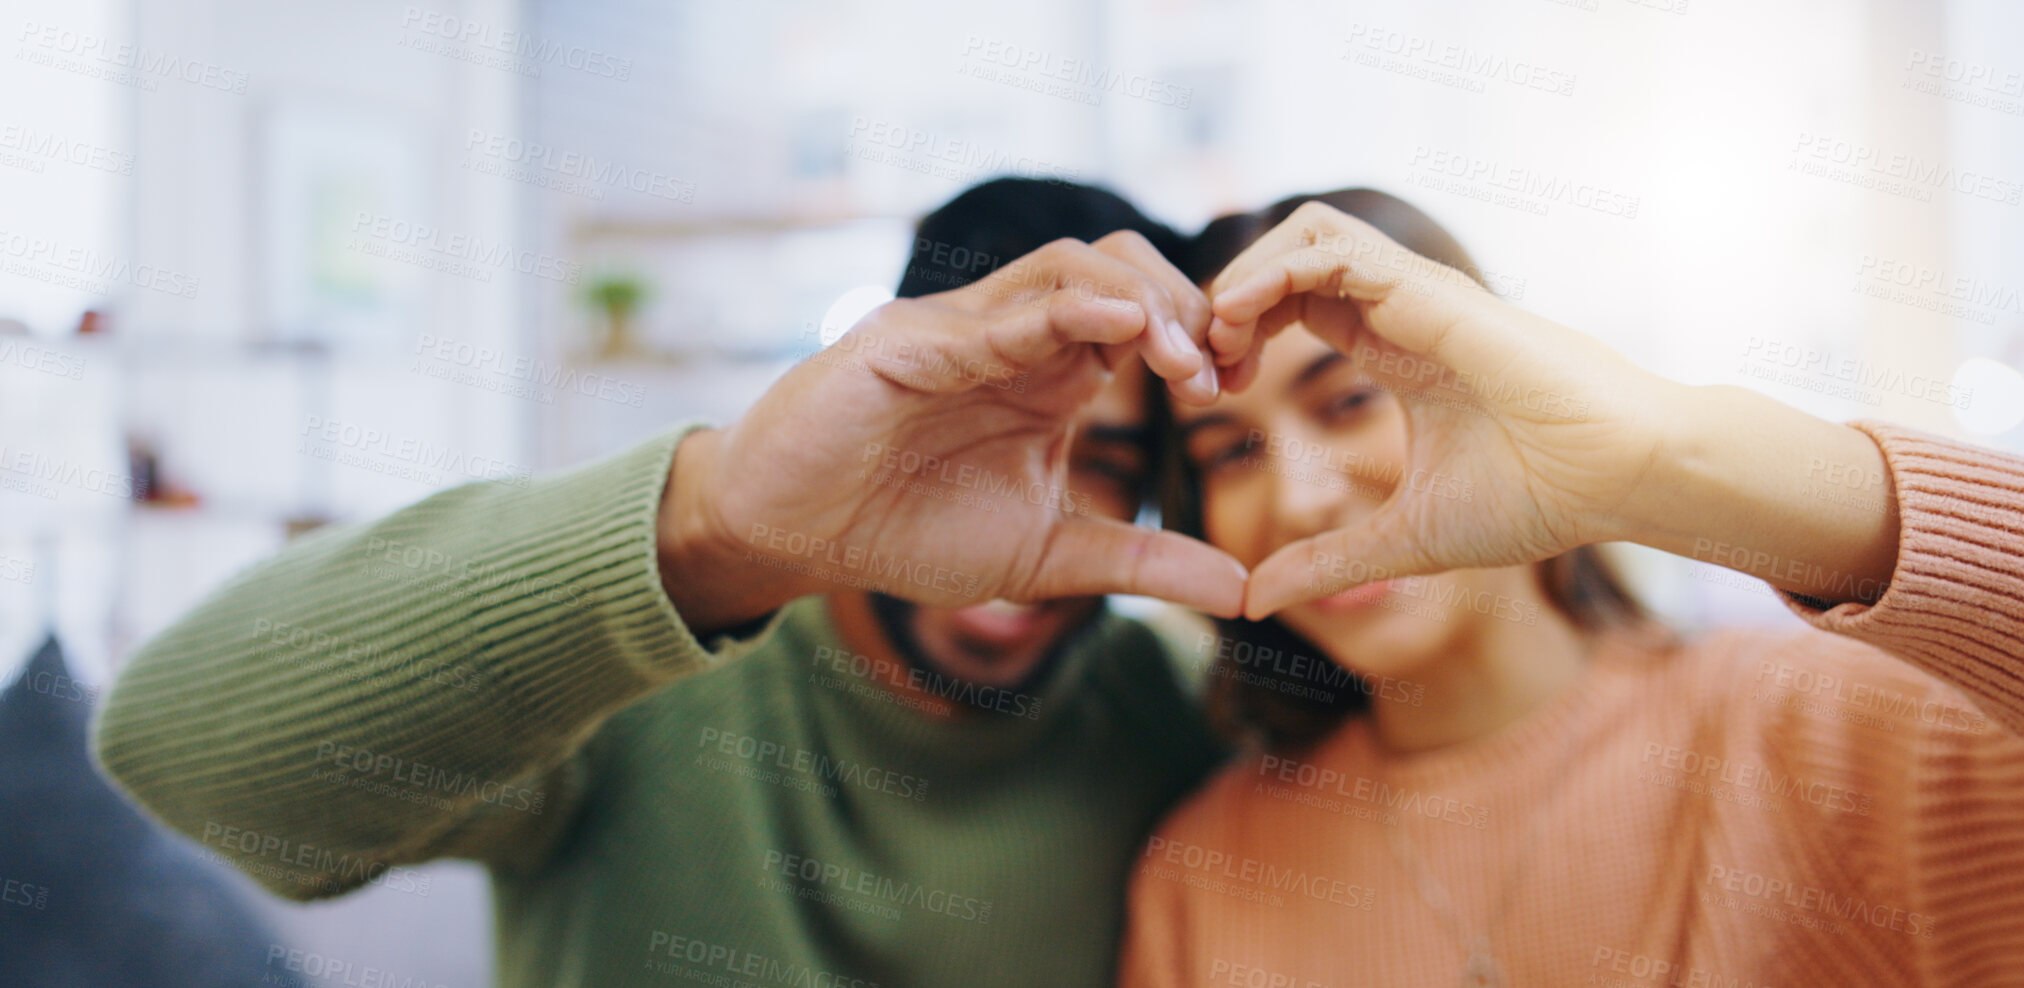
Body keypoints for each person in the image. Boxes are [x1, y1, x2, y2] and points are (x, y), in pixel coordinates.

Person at [91, 178, 1241, 988]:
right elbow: (186, 756)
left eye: (1107, 464)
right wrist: (707, 523)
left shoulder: (1162, 714)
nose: (1028, 516)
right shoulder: (638, 679)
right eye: (974, 450)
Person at [1120, 191, 2024, 986]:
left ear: (1493, 383)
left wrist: (1662, 461)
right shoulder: (1208, 876)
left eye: (1348, 400)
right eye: (1233, 452)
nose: (1301, 497)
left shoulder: (1836, 734)